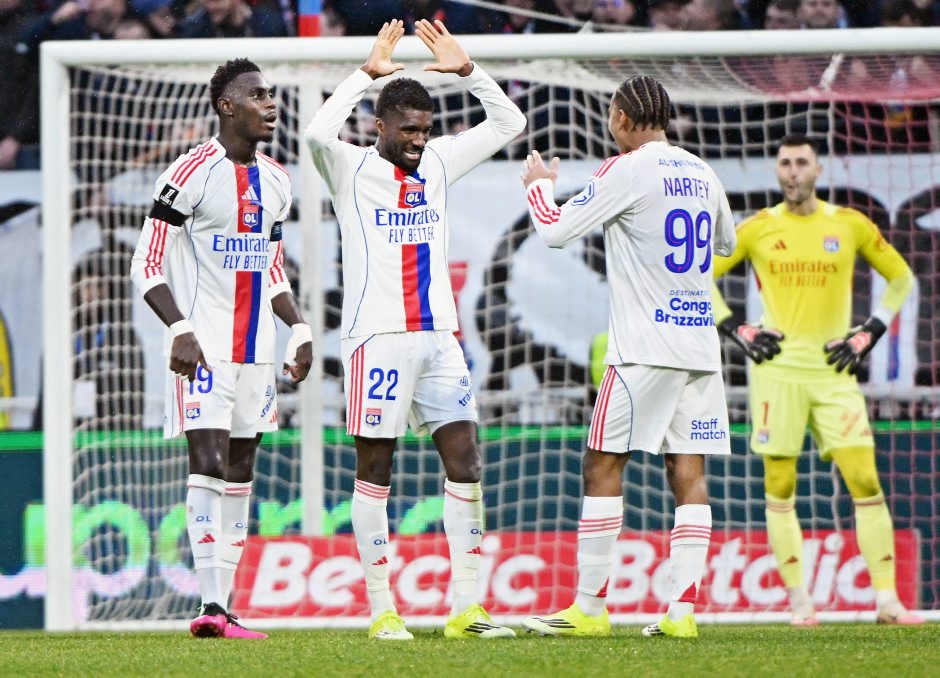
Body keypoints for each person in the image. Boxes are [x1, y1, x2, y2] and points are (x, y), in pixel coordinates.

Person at [304, 19, 525, 641]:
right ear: (380, 126)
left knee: (466, 460)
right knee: (376, 468)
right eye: (408, 131)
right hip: (378, 338)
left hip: (440, 339)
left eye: (426, 130)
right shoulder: (349, 168)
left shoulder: (439, 161)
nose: (419, 142)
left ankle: (467, 609)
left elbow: (510, 123)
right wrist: (365, 73)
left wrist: (469, 71)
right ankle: (383, 610)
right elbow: (315, 132)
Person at [519, 75, 736, 639]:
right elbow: (727, 244)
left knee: (601, 464)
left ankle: (590, 609)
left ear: (620, 117)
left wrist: (539, 187)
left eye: (610, 114)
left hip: (644, 347)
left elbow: (555, 231)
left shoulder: (627, 168)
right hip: (699, 345)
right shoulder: (702, 171)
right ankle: (682, 614)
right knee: (688, 471)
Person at [130, 58, 313, 640]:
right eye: (258, 95)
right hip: (205, 345)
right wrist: (178, 328)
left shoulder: (278, 180)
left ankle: (224, 608)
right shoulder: (190, 172)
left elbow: (271, 267)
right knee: (208, 463)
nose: (271, 104)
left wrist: (299, 327)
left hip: (258, 351)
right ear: (226, 106)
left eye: (272, 94)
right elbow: (146, 263)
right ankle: (209, 604)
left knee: (240, 470)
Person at [711, 134, 924, 626]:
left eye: (801, 162)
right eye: (785, 163)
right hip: (777, 373)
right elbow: (700, 275)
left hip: (834, 374)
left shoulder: (848, 224)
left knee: (865, 479)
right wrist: (736, 328)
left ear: (818, 170)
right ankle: (800, 602)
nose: (793, 171)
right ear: (777, 170)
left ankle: (888, 602)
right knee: (780, 484)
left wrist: (870, 331)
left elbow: (901, 277)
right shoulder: (758, 228)